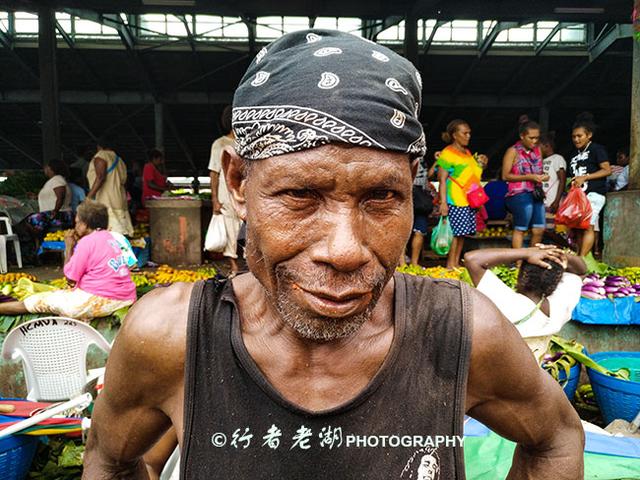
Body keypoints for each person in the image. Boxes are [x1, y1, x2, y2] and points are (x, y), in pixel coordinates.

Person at [83, 30, 583, 479]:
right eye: (300, 194)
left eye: (382, 198)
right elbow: (109, 459)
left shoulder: (463, 335)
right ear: (238, 182)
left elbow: (556, 440)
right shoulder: (169, 339)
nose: (344, 251)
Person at [0, 200, 136, 320]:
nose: (75, 226)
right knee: (59, 294)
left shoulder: (87, 242)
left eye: (77, 222)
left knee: (34, 301)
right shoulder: (110, 237)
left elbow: (70, 279)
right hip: (126, 297)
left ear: (85, 225)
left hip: (101, 299)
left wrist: (69, 247)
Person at [464, 246, 586, 363]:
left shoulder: (508, 302)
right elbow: (581, 271)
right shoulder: (560, 304)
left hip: (499, 377)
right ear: (556, 282)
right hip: (534, 378)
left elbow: (472, 259)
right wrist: (560, 254)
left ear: (523, 276)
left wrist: (527, 252)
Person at [436, 120, 483, 269]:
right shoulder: (447, 153)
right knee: (455, 234)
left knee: (462, 234)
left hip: (468, 199)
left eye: (469, 133)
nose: (468, 136)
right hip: (455, 199)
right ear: (455, 135)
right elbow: (442, 180)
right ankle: (451, 265)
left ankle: (455, 263)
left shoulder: (467, 153)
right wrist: (443, 202)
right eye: (465, 133)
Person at [567, 113, 612, 256]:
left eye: (580, 136)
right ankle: (582, 256)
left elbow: (607, 170)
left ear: (589, 135)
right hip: (580, 196)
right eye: (574, 136)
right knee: (579, 228)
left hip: (595, 194)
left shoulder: (597, 149)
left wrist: (585, 177)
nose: (576, 139)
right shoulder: (574, 155)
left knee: (588, 226)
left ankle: (581, 258)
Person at [502, 120, 548, 249]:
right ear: (522, 136)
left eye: (537, 138)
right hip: (519, 194)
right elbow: (505, 176)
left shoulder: (538, 150)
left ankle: (531, 262)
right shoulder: (512, 151)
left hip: (536, 193)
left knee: (539, 229)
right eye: (531, 138)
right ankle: (518, 264)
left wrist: (543, 176)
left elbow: (540, 171)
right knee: (521, 228)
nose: (534, 141)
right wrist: (529, 177)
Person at [209, 105, 242, 276]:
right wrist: (214, 199)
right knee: (230, 228)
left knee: (246, 227)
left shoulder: (247, 142)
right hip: (226, 193)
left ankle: (246, 262)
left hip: (246, 192)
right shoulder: (219, 144)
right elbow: (214, 173)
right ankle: (234, 266)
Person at [86, 136, 134, 236]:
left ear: (99, 146)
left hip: (107, 199)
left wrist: (89, 197)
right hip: (119, 199)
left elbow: (100, 177)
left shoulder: (102, 156)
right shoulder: (119, 160)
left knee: (109, 234)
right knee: (119, 234)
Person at [26, 159, 73, 242]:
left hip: (59, 214)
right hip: (57, 213)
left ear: (51, 168)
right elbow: (53, 195)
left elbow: (60, 196)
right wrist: (36, 196)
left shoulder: (57, 180)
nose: (45, 169)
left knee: (32, 219)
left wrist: (55, 211)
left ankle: (38, 242)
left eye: (46, 167)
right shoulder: (54, 180)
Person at [404, 156, 434, 266]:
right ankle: (403, 264)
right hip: (408, 194)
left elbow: (429, 176)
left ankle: (414, 263)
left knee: (419, 231)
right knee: (403, 231)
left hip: (421, 199)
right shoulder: (404, 153)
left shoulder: (423, 158)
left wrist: (437, 162)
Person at [540, 132, 566, 214]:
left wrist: (557, 201)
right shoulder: (542, 161)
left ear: (546, 145)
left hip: (553, 202)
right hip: (542, 202)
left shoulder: (557, 158)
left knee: (552, 225)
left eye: (539, 146)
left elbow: (562, 180)